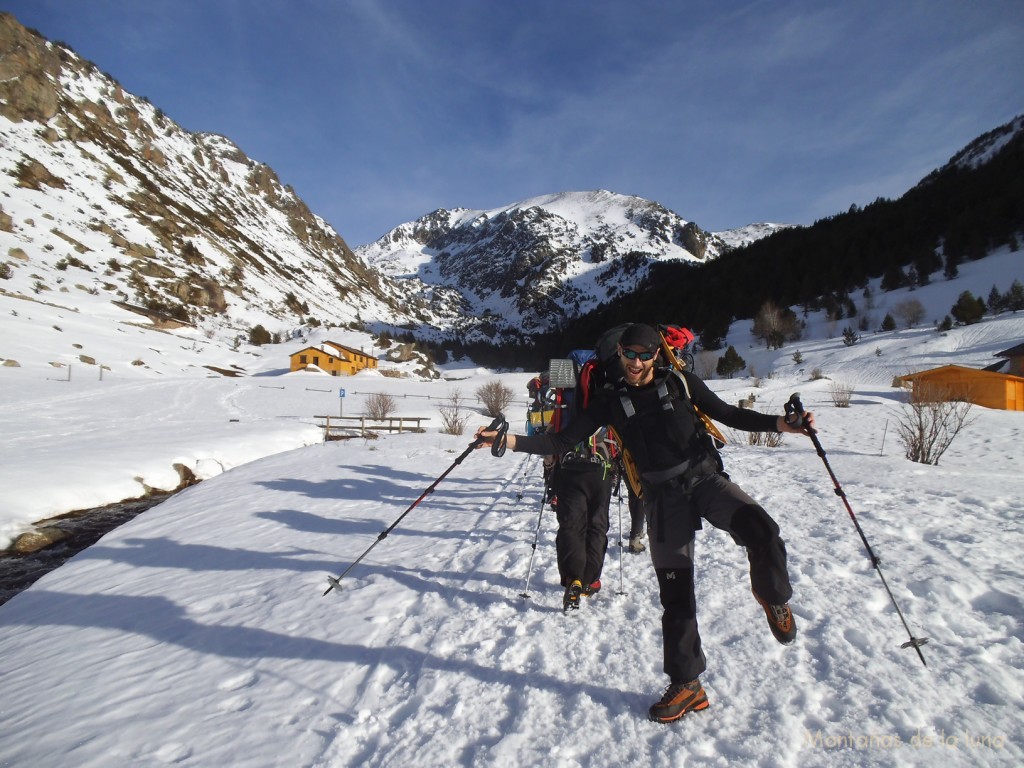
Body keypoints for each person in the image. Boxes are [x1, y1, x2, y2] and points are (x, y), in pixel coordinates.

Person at [476, 322, 815, 724]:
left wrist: (782, 424)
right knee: (676, 599)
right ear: (619, 352)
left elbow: (728, 414)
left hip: (705, 479)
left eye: (645, 355)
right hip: (662, 499)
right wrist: (508, 441)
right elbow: (561, 441)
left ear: (657, 355)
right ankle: (687, 684)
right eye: (629, 354)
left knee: (763, 531)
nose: (636, 363)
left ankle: (772, 595)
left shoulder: (681, 383)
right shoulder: (609, 400)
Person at [546, 427, 615, 611]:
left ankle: (573, 577)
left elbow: (552, 436)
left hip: (569, 468)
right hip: (601, 470)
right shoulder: (608, 402)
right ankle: (590, 580)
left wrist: (549, 464)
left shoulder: (565, 400)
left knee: (571, 525)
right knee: (597, 525)